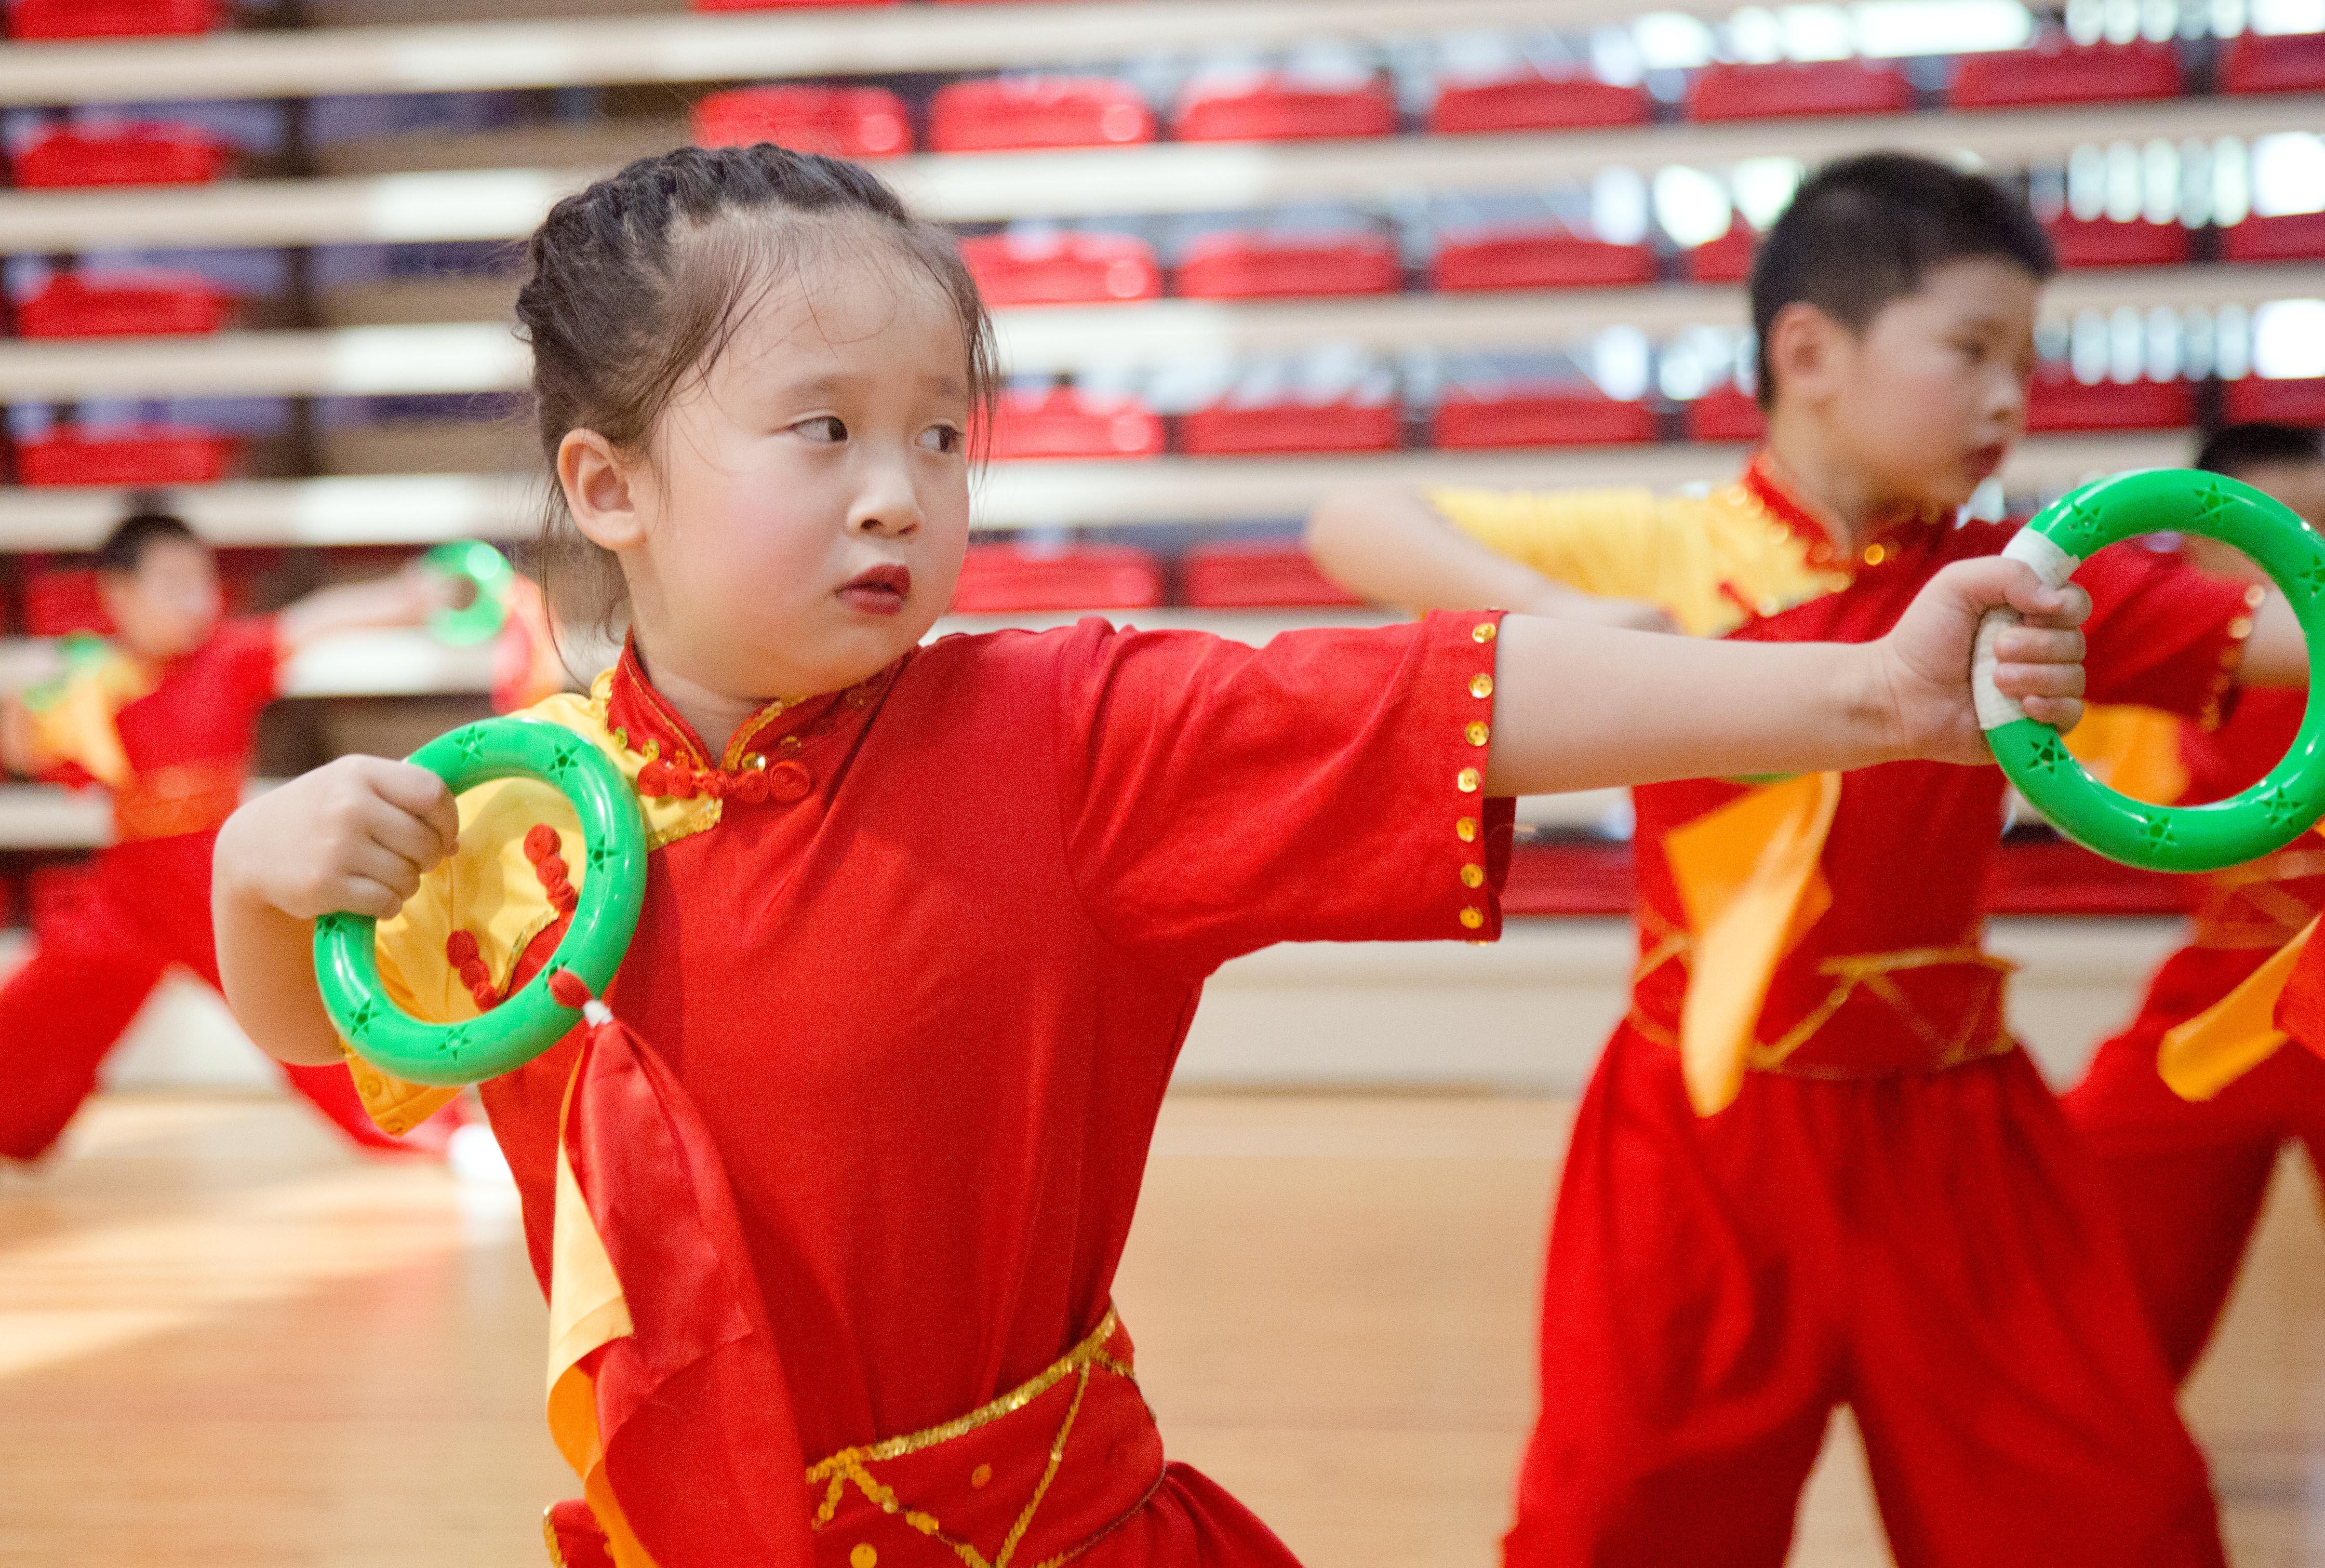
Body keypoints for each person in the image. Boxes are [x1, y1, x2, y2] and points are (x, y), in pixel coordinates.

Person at [206, 145, 2085, 1568]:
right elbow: (333, 1041)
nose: (901, 487)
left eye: (942, 432)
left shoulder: (1062, 737)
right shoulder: (519, 819)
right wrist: (255, 873)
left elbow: (1459, 696)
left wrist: (1870, 701)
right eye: (825, 429)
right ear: (607, 486)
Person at [1304, 153, 2304, 1567]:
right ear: (1807, 352)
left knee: (2109, 1517)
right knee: (1623, 1524)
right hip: (1699, 1135)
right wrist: (1554, 612)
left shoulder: (2030, 586)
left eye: (2028, 358)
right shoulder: (1668, 543)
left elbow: (2286, 635)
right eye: (1971, 350)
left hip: (1961, 1144)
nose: (2012, 398)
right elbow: (1346, 521)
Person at [0, 514, 463, 1162]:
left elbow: (314, 621)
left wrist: (407, 597)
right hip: (131, 883)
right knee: (50, 994)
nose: (194, 598)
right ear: (118, 596)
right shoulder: (92, 688)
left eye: (201, 580)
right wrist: (30, 716)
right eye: (170, 583)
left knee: (298, 1009)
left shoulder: (226, 656)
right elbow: (28, 748)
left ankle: (426, 1125)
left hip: (214, 879)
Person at [2061, 421, 2325, 1383]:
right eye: (2274, 535)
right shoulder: (2147, 663)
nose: (2304, 552)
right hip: (2223, 993)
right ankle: (2097, 1457)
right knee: (2088, 1203)